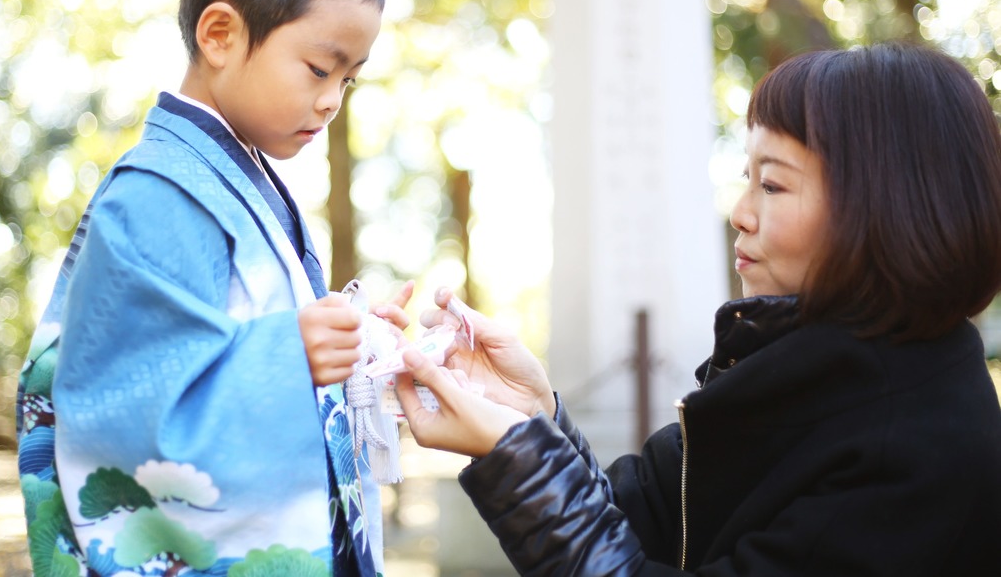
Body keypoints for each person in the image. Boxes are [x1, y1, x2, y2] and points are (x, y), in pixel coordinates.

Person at [396, 42, 1001, 576]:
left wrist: (518, 456)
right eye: (748, 178)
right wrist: (532, 417)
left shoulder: (914, 442)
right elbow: (643, 526)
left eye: (773, 185)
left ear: (886, 206)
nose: (740, 212)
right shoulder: (786, 371)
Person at [16, 0, 410, 577]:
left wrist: (357, 343)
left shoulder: (237, 176)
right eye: (320, 68)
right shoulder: (157, 194)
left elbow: (253, 342)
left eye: (349, 79)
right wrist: (286, 356)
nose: (330, 100)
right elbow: (119, 408)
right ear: (220, 33)